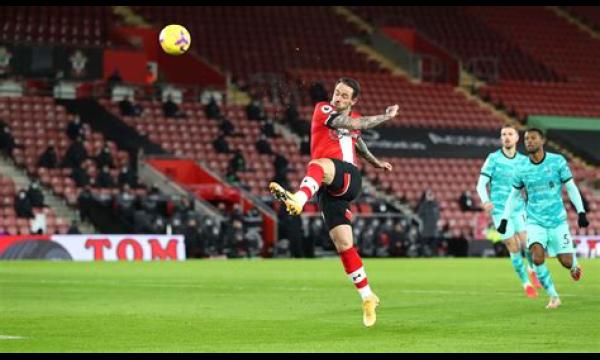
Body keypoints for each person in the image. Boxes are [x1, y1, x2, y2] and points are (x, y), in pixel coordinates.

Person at [268, 77, 397, 327]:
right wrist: (378, 156)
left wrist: (374, 161)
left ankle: (298, 198)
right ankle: (368, 296)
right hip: (328, 188)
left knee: (317, 165)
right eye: (336, 93)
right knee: (344, 245)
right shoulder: (323, 109)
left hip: (348, 176)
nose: (337, 98)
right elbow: (355, 131)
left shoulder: (352, 119)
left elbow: (357, 138)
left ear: (353, 100)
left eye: (343, 96)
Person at [498, 128, 590, 309]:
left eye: (533, 138)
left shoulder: (557, 162)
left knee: (566, 262)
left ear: (542, 141)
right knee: (537, 257)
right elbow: (513, 196)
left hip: (557, 222)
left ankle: (574, 265)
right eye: (526, 139)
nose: (529, 141)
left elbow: (571, 188)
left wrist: (581, 212)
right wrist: (504, 219)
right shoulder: (522, 168)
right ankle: (553, 296)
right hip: (534, 221)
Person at [476, 125, 541, 299]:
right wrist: (486, 201)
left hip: (519, 208)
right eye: (503, 134)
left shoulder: (523, 161)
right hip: (499, 211)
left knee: (527, 244)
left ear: (517, 138)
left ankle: (531, 269)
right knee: (513, 246)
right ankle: (526, 283)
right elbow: (481, 184)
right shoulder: (493, 159)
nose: (506, 137)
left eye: (510, 134)